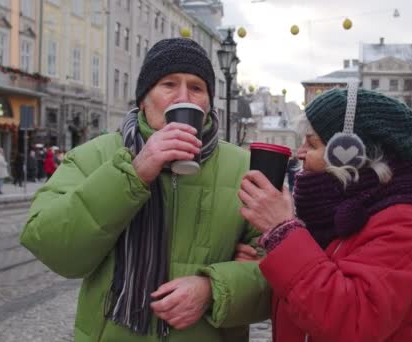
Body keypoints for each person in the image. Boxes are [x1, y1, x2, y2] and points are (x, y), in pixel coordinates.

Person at [20, 38, 270, 341]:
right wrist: (135, 172)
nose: (183, 97)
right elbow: (51, 246)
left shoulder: (244, 167)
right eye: (168, 84)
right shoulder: (95, 156)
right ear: (143, 100)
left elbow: (278, 274)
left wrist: (214, 289)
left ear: (207, 103)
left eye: (196, 87)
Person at [236, 87, 412, 341]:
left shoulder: (404, 224)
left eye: (313, 143)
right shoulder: (330, 214)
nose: (300, 153)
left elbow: (350, 322)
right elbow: (314, 289)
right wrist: (269, 267)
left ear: (351, 154)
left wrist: (282, 232)